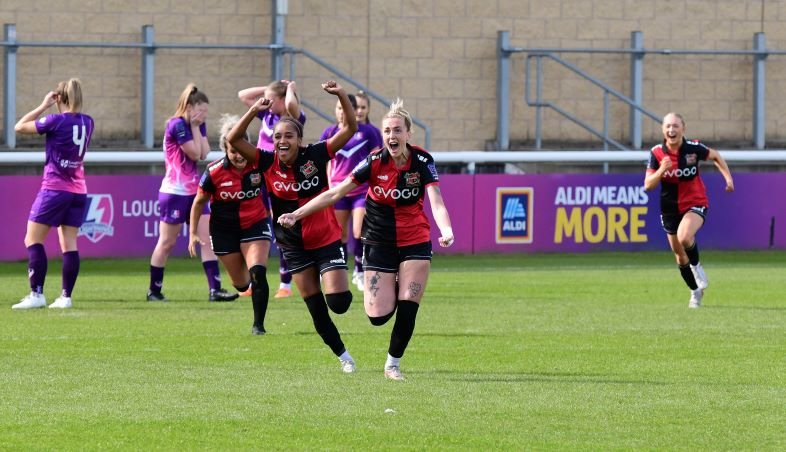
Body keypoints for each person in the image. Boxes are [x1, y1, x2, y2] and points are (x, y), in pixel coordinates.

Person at [278, 98, 455, 381]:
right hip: (378, 240)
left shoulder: (422, 161)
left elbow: (436, 201)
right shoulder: (373, 161)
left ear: (408, 134)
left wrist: (446, 230)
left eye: (397, 130)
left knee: (409, 306)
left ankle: (392, 365)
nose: (391, 136)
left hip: (415, 240)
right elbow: (335, 193)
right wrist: (297, 213)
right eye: (387, 131)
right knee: (377, 315)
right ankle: (395, 285)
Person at [227, 80, 358, 373]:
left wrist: (339, 95)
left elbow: (350, 129)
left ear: (299, 139)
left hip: (325, 237)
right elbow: (235, 139)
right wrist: (253, 111)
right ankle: (344, 357)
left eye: (288, 135)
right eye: (277, 137)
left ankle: (340, 276)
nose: (282, 141)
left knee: (338, 302)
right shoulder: (266, 161)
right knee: (316, 309)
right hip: (293, 245)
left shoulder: (317, 154)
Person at [147, 83, 237, 303]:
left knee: (206, 239)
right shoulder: (176, 125)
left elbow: (205, 153)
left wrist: (198, 127)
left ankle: (215, 290)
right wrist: (196, 129)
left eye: (206, 111)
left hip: (195, 192)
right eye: (202, 110)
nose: (204, 115)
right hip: (174, 192)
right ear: (189, 106)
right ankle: (154, 290)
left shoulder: (198, 125)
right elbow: (195, 153)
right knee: (167, 242)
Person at [11, 78, 95, 310]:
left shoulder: (55, 121)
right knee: (69, 243)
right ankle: (65, 297)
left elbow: (19, 126)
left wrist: (43, 106)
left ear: (59, 98)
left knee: (32, 239)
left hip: (55, 188)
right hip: (79, 191)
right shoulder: (89, 122)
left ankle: (37, 294)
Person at [188, 114, 272, 335]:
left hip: (255, 223)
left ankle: (258, 326)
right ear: (225, 150)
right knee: (242, 284)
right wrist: (192, 233)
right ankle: (244, 275)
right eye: (232, 151)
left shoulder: (259, 165)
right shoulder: (214, 172)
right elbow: (199, 202)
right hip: (224, 230)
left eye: (240, 149)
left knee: (258, 273)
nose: (238, 155)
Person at [644, 112, 734, 308]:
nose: (671, 130)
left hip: (695, 202)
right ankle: (695, 292)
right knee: (679, 255)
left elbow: (716, 156)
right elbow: (648, 185)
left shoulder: (693, 148)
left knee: (685, 237)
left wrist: (728, 178)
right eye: (668, 126)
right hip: (669, 209)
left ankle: (697, 266)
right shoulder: (657, 153)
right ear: (663, 129)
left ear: (683, 128)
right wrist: (661, 170)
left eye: (675, 126)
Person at [237, 80, 306, 299]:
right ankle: (253, 281)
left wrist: (290, 90)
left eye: (269, 99)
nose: (264, 101)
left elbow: (293, 108)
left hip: (280, 177)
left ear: (280, 100)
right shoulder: (266, 115)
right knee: (255, 227)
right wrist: (268, 88)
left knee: (282, 228)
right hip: (260, 175)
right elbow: (243, 94)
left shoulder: (292, 121)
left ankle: (285, 283)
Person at [320, 93, 382, 291]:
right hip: (337, 190)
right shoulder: (329, 132)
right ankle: (337, 271)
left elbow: (377, 158)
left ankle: (359, 271)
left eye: (344, 108)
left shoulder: (368, 132)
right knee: (340, 234)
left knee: (358, 230)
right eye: (338, 108)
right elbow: (321, 161)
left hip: (360, 189)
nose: (341, 112)